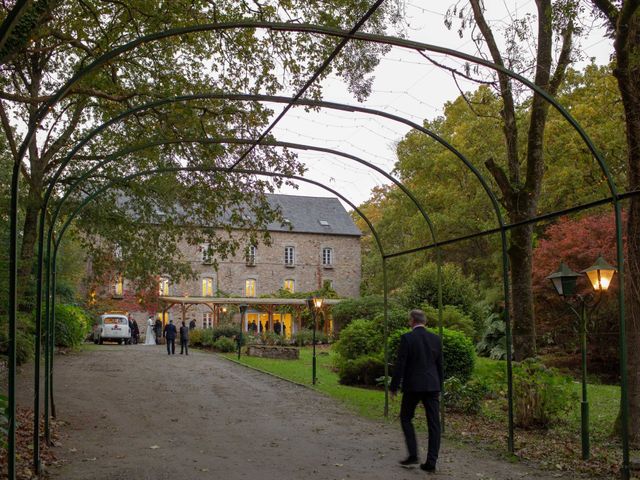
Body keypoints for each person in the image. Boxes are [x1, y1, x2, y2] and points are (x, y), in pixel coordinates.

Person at [389, 309, 443, 473]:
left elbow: (401, 364)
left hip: (413, 385)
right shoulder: (435, 339)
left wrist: (394, 386)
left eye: (409, 319)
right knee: (434, 424)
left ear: (412, 320)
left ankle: (413, 455)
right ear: (424, 322)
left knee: (406, 418)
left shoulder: (407, 338)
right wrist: (440, 386)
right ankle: (431, 461)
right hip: (432, 385)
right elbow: (440, 365)